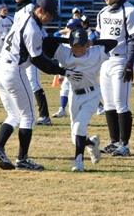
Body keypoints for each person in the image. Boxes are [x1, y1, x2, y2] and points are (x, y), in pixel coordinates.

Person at [0, 0, 82, 171]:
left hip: (1, 70)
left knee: (14, 115)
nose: (51, 18)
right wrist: (63, 71)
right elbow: (39, 61)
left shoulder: (26, 18)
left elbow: (45, 41)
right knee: (29, 116)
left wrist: (67, 41)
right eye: (49, 15)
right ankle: (22, 159)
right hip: (15, 71)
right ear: (40, 10)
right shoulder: (31, 28)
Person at [42, 28, 117, 171]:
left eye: (81, 45)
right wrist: (68, 41)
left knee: (78, 128)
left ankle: (78, 161)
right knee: (75, 135)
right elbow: (47, 42)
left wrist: (91, 42)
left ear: (86, 44)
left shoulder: (95, 53)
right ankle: (91, 144)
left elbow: (113, 43)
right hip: (74, 94)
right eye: (75, 45)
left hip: (92, 95)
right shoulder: (64, 52)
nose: (78, 49)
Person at [95, 0, 134, 157]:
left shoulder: (130, 11)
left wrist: (130, 62)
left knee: (121, 104)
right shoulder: (102, 12)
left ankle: (124, 144)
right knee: (108, 104)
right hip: (106, 61)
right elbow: (99, 37)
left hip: (122, 60)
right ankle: (113, 141)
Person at [6, 0, 52, 126]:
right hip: (22, 52)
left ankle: (45, 115)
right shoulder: (19, 9)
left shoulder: (30, 7)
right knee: (26, 83)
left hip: (32, 48)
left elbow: (37, 28)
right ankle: (23, 114)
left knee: (34, 83)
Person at [0, 3, 14, 69]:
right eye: (4, 10)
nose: (6, 12)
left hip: (9, 42)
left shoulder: (11, 19)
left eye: (7, 10)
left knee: (8, 60)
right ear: (0, 10)